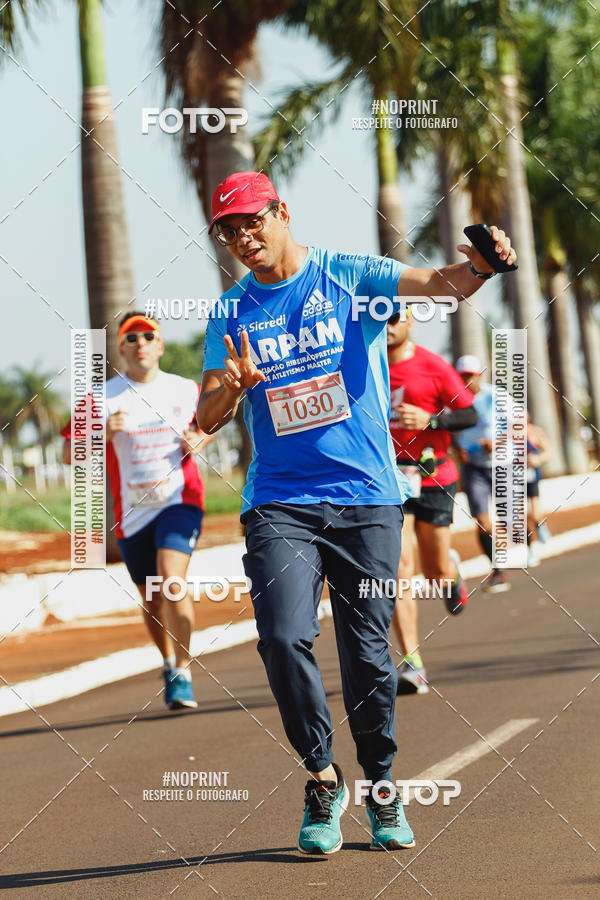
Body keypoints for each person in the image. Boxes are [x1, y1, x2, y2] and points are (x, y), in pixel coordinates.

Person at [197, 170, 516, 854]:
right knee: (283, 638)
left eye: (253, 221)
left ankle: (380, 784)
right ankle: (321, 776)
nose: (243, 238)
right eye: (229, 230)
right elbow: (207, 415)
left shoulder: (348, 275)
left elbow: (440, 284)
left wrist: (483, 268)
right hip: (279, 500)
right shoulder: (230, 313)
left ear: (282, 212)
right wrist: (235, 384)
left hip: (368, 496)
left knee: (368, 652)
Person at [61, 312, 211, 709]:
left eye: (149, 335)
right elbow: (66, 453)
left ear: (160, 345)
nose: (141, 342)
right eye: (132, 337)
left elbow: (209, 425)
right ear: (122, 349)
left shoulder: (185, 389)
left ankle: (183, 672)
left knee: (171, 580)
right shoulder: (102, 398)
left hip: (180, 500)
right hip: (131, 514)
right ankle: (166, 661)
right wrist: (101, 434)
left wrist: (199, 441)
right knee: (151, 597)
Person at [387, 310, 478, 694]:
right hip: (389, 480)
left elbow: (469, 413)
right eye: (381, 318)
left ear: (409, 322)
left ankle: (450, 570)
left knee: (434, 570)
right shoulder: (364, 363)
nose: (389, 325)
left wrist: (431, 420)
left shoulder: (434, 366)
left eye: (395, 318)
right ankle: (412, 663)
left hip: (434, 475)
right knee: (398, 569)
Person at [454, 355, 513, 592]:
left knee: (506, 519)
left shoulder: (495, 395)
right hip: (474, 467)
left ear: (479, 375)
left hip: (501, 463)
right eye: (462, 376)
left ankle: (505, 550)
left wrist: (496, 442)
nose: (467, 380)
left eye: (470, 375)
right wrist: (458, 450)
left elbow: (518, 423)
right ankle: (497, 570)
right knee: (482, 520)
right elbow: (449, 429)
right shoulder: (455, 401)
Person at [525, 410, 553, 566]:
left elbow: (549, 452)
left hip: (531, 477)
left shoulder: (535, 432)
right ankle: (530, 551)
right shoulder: (505, 434)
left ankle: (540, 524)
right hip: (513, 479)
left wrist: (538, 459)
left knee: (535, 513)